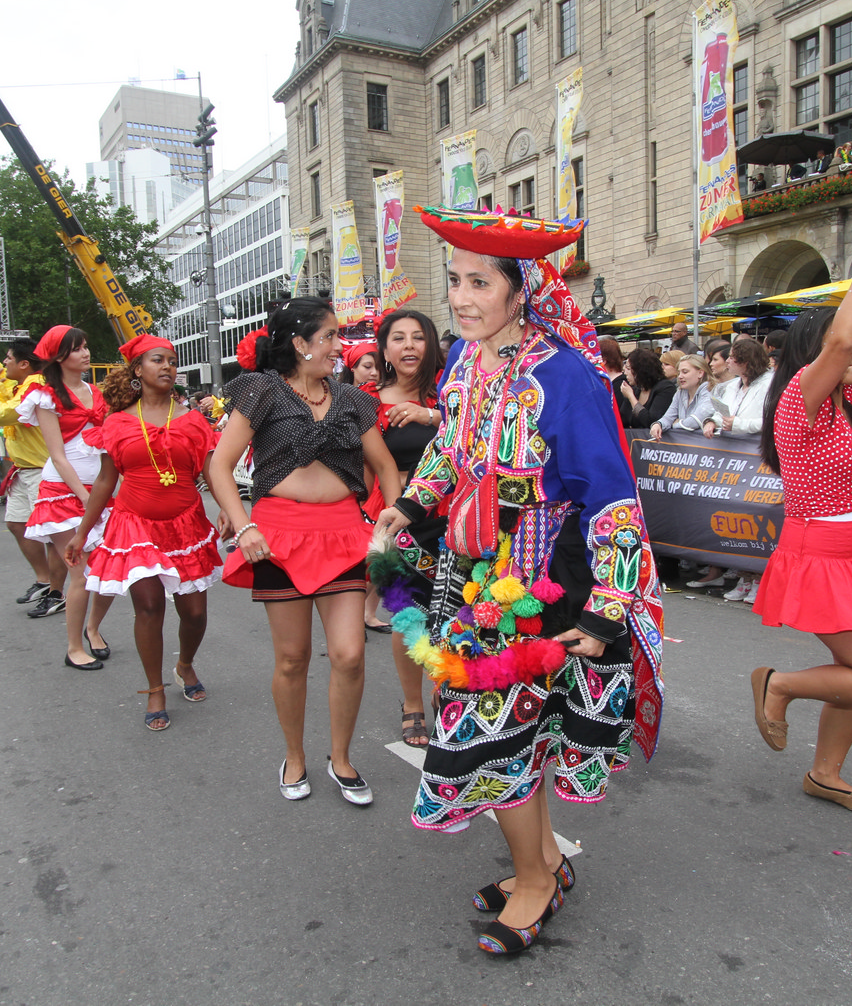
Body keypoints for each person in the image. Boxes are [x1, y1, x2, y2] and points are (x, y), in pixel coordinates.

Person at [373, 205, 663, 956]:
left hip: (546, 579)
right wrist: (411, 504)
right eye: (454, 281)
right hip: (474, 574)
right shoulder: (466, 363)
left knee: (499, 729)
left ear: (520, 288)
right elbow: (449, 447)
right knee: (501, 731)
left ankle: (535, 876)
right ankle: (542, 864)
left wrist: (606, 610)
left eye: (479, 282)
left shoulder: (564, 375)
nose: (461, 298)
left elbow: (610, 495)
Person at [750, 213, 852, 817]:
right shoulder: (799, 400)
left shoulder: (851, 400)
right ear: (812, 353)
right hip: (820, 556)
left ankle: (825, 774)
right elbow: (843, 343)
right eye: (845, 343)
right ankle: (779, 685)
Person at [205, 296, 401, 807]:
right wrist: (244, 526)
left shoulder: (353, 399)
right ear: (299, 343)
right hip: (279, 536)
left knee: (350, 654)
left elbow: (385, 467)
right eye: (330, 336)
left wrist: (390, 525)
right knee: (292, 658)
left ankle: (341, 758)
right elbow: (219, 465)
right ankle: (294, 756)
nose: (340, 346)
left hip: (344, 534)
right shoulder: (262, 390)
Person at [64, 336, 220, 731]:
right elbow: (105, 481)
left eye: (172, 361)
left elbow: (212, 472)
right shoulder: (116, 422)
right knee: (149, 606)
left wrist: (231, 511)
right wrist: (82, 533)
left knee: (194, 613)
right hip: (134, 525)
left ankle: (185, 663)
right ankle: (155, 689)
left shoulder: (193, 421)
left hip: (186, 525)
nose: (168, 367)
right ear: (137, 369)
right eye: (158, 360)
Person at [358, 309, 446, 748]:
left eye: (418, 337)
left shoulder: (452, 391)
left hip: (455, 517)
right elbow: (364, 471)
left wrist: (429, 415)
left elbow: (478, 431)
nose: (409, 345)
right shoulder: (367, 402)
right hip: (397, 519)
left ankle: (449, 690)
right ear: (385, 350)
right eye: (399, 338)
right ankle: (413, 704)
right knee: (409, 614)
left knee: (458, 611)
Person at [17, 325, 116, 668]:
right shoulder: (44, 396)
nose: (85, 353)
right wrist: (87, 498)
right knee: (82, 574)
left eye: (85, 346)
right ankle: (74, 648)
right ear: (58, 356)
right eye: (77, 349)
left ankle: (93, 628)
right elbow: (58, 456)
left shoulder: (98, 392)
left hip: (100, 489)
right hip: (62, 492)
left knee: (109, 569)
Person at [0, 339, 54, 606]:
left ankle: (58, 592)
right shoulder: (21, 386)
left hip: (43, 471)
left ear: (24, 363)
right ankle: (44, 581)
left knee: (52, 534)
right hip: (23, 470)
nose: (4, 362)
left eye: (8, 358)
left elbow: (3, 414)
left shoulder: (36, 385)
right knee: (16, 524)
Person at [703, 337, 772, 439]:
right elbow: (723, 413)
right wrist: (712, 422)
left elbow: (771, 422)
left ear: (745, 361)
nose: (727, 361)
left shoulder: (769, 385)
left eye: (731, 357)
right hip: (733, 446)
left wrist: (738, 424)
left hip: (756, 445)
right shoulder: (732, 385)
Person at [650, 354, 713, 439]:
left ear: (700, 373)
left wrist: (674, 425)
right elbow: (668, 417)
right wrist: (658, 425)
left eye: (685, 372)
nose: (680, 376)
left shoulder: (709, 391)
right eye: (679, 372)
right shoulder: (679, 392)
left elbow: (694, 422)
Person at [617, 347, 673, 428]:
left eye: (628, 369)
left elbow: (651, 421)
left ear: (641, 371)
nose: (625, 373)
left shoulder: (665, 388)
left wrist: (631, 397)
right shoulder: (636, 390)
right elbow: (622, 420)